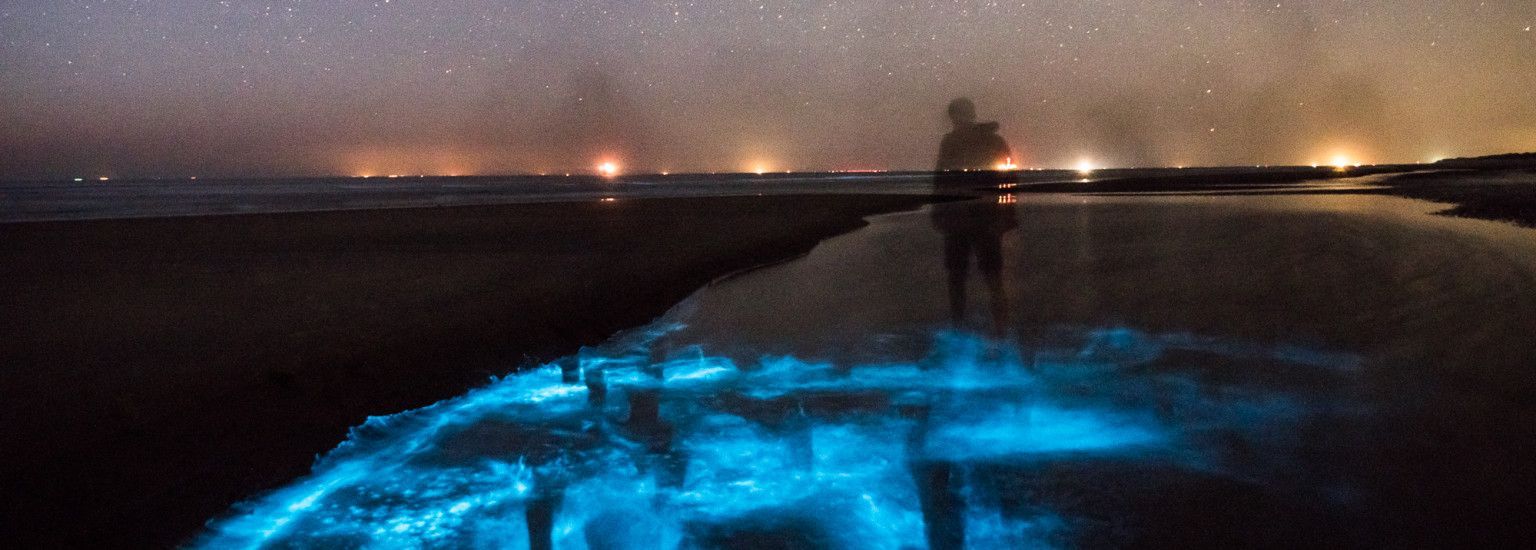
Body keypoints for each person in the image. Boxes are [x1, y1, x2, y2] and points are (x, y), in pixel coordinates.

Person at [931, 98, 1018, 338]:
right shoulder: (991, 140)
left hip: (969, 219)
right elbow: (1008, 177)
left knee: (966, 277)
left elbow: (941, 179)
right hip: (980, 218)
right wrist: (1007, 214)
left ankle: (968, 329)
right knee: (985, 276)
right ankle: (998, 331)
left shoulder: (953, 142)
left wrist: (938, 211)